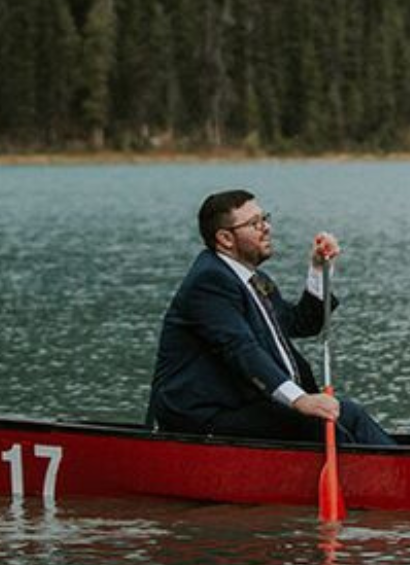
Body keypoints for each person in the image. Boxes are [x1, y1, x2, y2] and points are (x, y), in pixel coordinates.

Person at [147, 189, 395, 445]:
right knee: (318, 423)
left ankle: (401, 472)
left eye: (264, 218)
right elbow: (241, 349)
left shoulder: (253, 280)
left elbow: (301, 323)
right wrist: (299, 400)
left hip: (243, 407)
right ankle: (385, 480)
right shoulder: (209, 282)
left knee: (348, 412)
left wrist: (318, 269)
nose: (266, 228)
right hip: (201, 417)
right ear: (225, 238)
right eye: (255, 223)